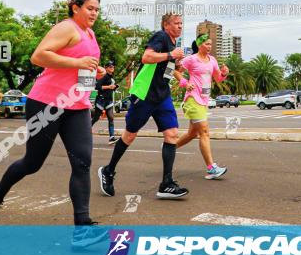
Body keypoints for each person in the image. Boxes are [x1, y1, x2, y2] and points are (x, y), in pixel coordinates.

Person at [0, 0, 107, 250]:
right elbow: (39, 56)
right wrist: (77, 61)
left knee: (82, 162)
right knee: (32, 163)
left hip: (77, 106)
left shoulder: (90, 35)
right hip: (47, 103)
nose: (94, 13)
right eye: (90, 8)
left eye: (97, 9)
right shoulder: (66, 28)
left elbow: (80, 65)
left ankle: (82, 230)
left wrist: (94, 69)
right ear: (75, 8)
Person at [98, 12, 188, 200]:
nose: (180, 26)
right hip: (145, 94)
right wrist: (170, 55)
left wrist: (177, 66)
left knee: (172, 134)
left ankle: (166, 184)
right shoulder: (161, 36)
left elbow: (166, 70)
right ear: (166, 25)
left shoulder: (173, 44)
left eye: (181, 23)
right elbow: (147, 57)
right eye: (176, 23)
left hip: (162, 95)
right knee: (130, 135)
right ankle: (108, 170)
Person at [174, 34, 229, 179]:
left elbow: (218, 78)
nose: (209, 46)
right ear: (199, 45)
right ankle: (211, 168)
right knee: (204, 132)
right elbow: (176, 71)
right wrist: (186, 83)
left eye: (211, 44)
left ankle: (170, 148)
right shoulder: (191, 59)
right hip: (193, 99)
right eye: (206, 44)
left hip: (204, 100)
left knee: (192, 133)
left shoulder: (212, 60)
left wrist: (224, 74)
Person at [91, 61, 119, 144]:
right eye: (110, 66)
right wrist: (109, 86)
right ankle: (85, 131)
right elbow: (97, 86)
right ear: (106, 68)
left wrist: (114, 87)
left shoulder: (111, 77)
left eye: (113, 66)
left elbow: (110, 89)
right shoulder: (105, 77)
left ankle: (112, 137)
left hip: (108, 100)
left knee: (111, 118)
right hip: (101, 100)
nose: (112, 68)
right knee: (96, 118)